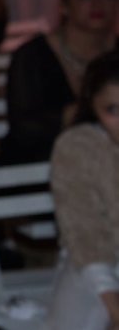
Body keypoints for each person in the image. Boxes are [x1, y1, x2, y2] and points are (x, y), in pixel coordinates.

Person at [2, 0, 119, 165]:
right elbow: (24, 129)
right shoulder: (32, 56)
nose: (97, 4)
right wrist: (82, 111)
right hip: (40, 163)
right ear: (64, 6)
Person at [49, 49, 119, 330]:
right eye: (113, 110)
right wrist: (115, 309)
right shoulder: (78, 148)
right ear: (93, 107)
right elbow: (85, 237)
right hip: (94, 273)